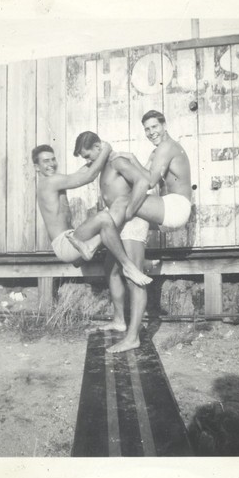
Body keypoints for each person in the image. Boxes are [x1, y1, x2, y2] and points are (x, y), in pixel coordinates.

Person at [70, 113, 192, 352]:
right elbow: (147, 180)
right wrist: (136, 160)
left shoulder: (167, 147)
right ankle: (119, 321)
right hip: (163, 208)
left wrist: (132, 159)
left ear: (165, 125)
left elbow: (147, 181)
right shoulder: (156, 151)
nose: (151, 132)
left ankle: (132, 336)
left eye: (155, 126)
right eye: (147, 129)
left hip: (176, 207)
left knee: (124, 201)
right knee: (112, 269)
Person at [33, 142, 152, 287]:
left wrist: (98, 157)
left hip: (74, 240)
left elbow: (80, 173)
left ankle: (96, 248)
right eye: (46, 161)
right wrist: (107, 149)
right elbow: (88, 176)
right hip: (66, 243)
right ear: (36, 167)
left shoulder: (53, 181)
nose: (51, 164)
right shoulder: (49, 182)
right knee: (104, 217)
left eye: (53, 159)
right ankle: (128, 266)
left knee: (118, 211)